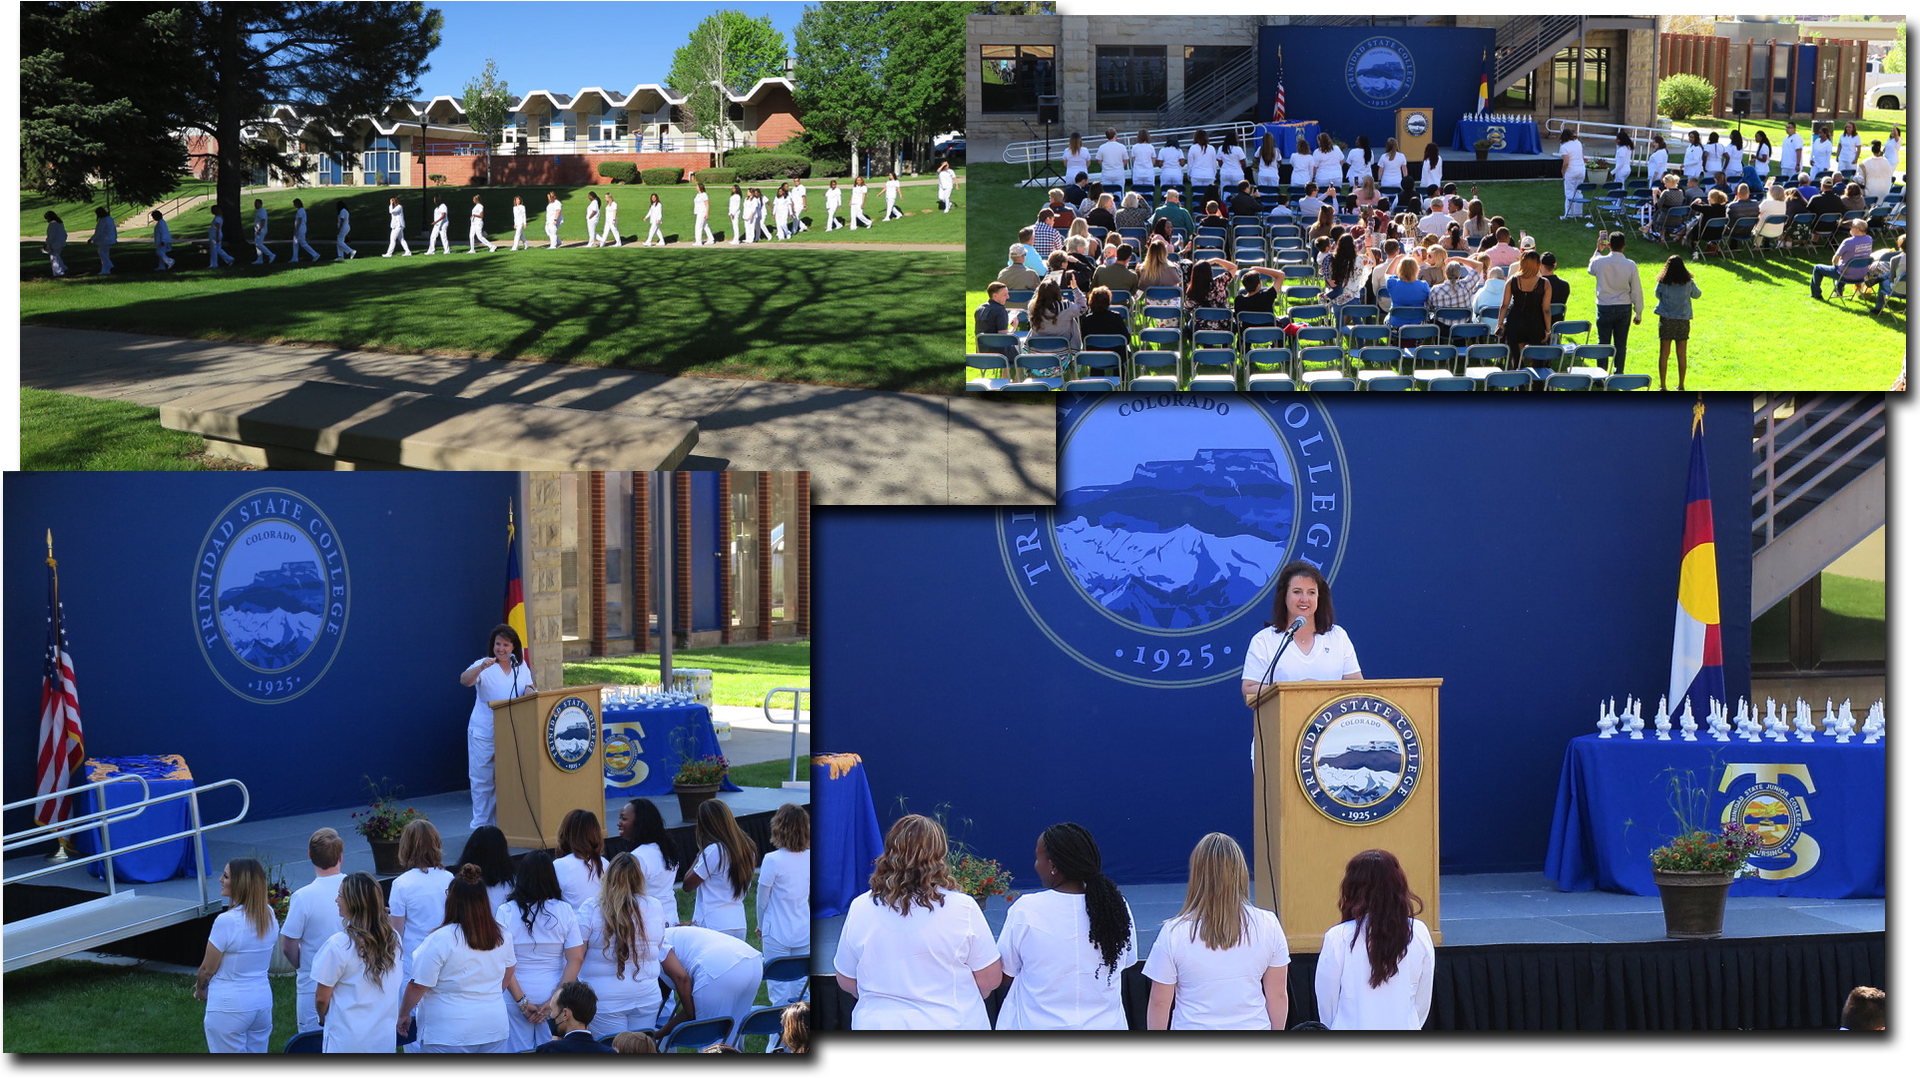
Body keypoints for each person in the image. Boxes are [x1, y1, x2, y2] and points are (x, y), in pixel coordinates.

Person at [832, 814, 1001, 1029]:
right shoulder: (963, 908)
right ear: (939, 854)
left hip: (878, 1023)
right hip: (952, 1022)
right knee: (1044, 1064)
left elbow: (846, 979)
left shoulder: (860, 907)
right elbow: (990, 980)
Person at [996, 821, 1136, 1030]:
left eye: (1038, 858)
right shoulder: (1117, 907)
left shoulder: (1027, 909)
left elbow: (1006, 973)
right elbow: (1128, 960)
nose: (1036, 865)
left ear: (1053, 866)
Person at [1143, 832, 1288, 1030]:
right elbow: (1278, 994)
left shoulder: (1173, 932)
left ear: (1196, 873)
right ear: (1240, 871)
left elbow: (1160, 1001)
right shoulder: (1269, 924)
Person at [400, 863, 536, 1053]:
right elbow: (508, 971)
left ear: (451, 899)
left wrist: (403, 1014)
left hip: (448, 1033)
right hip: (493, 1027)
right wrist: (487, 995)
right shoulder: (502, 935)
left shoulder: (440, 939)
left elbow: (417, 985)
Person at [1314, 849, 1434, 1030]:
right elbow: (1422, 1000)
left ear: (1351, 887)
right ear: (1399, 884)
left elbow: (1327, 1003)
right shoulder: (1419, 932)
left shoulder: (1337, 937)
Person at [1241, 560, 1363, 714]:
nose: (1304, 599)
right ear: (1284, 595)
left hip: (1330, 732)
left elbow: (1357, 688)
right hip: (1280, 731)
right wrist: (1296, 690)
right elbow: (1249, 690)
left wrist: (1316, 691)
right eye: (1297, 592)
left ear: (1319, 597)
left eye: (1311, 592)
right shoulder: (1264, 641)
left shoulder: (1338, 637)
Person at [497, 851, 585, 1052]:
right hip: (555, 993)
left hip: (515, 994)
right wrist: (556, 998)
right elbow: (576, 958)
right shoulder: (565, 910)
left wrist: (522, 1002)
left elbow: (501, 961)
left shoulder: (506, 912)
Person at [577, 851, 670, 1036]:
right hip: (646, 996)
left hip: (604, 1000)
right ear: (639, 879)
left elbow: (578, 954)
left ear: (608, 877)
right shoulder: (655, 906)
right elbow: (658, 947)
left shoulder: (591, 907)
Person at [312, 871, 404, 1054]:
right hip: (383, 1040)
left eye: (340, 895)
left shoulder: (339, 944)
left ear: (355, 902)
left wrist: (323, 1018)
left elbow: (322, 998)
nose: (336, 900)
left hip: (347, 1041)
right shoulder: (394, 939)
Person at [195, 857, 279, 1052]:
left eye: (225, 876)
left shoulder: (227, 921)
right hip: (261, 1002)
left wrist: (200, 989)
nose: (220, 880)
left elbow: (208, 969)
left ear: (240, 884)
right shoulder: (268, 914)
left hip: (229, 1006)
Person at [458, 623, 530, 831]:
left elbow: (527, 686)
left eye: (506, 645)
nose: (501, 649)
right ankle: (481, 827)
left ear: (514, 647)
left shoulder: (520, 666)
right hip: (484, 733)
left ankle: (501, 826)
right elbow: (464, 680)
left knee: (506, 780)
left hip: (510, 733)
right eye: (498, 644)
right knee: (483, 781)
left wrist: (530, 691)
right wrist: (481, 668)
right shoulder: (484, 665)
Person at [282, 827, 348, 1034]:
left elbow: (288, 945)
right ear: (341, 857)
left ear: (310, 855)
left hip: (313, 981)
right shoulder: (359, 888)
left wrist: (303, 964)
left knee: (312, 1041)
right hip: (353, 980)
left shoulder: (303, 897)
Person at [388, 819, 453, 1003]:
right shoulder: (449, 878)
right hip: (447, 957)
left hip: (414, 962)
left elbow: (397, 933)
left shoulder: (401, 884)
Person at [658, 925, 760, 1039]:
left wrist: (657, 1035)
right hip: (752, 961)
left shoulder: (652, 941)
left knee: (711, 1044)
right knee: (732, 1039)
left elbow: (682, 979)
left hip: (718, 967)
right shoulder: (667, 935)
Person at [753, 804, 809, 1009]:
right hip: (803, 930)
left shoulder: (772, 860)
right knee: (802, 990)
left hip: (776, 932)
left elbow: (762, 899)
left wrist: (760, 925)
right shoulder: (810, 857)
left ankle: (779, 1038)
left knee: (779, 993)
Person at [683, 798, 757, 940]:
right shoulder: (748, 848)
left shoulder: (713, 850)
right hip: (738, 920)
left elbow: (688, 884)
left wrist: (700, 853)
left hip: (713, 922)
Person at [1587, 231, 1644, 376]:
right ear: (1624, 246)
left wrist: (1598, 250)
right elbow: (1636, 290)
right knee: (1621, 343)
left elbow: (1590, 269)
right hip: (1624, 307)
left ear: (1609, 245)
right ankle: (1619, 373)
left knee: (1603, 343)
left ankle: (1601, 374)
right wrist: (1639, 312)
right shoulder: (1630, 265)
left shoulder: (1600, 262)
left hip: (1604, 306)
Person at [1496, 250, 1553, 376]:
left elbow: (1504, 304)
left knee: (1516, 356)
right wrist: (1548, 330)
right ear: (1538, 264)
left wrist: (1500, 323)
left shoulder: (1512, 281)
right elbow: (1546, 309)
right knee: (1536, 358)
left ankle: (1517, 384)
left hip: (1515, 320)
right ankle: (1536, 385)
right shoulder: (1545, 283)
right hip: (1536, 321)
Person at [1653, 254, 1701, 392]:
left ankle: (1663, 385)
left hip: (1666, 320)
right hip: (1682, 320)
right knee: (1681, 354)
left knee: (1664, 353)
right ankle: (1681, 385)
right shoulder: (1688, 282)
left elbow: (1657, 295)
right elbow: (1697, 294)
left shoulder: (1663, 282)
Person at [532, 981, 617, 1052]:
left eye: (552, 1010)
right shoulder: (609, 1052)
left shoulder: (549, 1050)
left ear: (565, 1014)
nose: (550, 1016)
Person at [553, 807, 610, 911]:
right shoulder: (606, 864)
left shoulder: (559, 865)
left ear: (565, 833)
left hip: (573, 925)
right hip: (603, 925)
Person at [1811, 218, 1875, 301]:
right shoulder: (1869, 239)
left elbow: (1835, 258)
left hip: (1846, 274)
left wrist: (1835, 266)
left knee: (1818, 268)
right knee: (1844, 267)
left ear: (1857, 229)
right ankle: (1838, 291)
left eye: (1851, 227)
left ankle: (1816, 294)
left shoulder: (1848, 242)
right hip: (1861, 275)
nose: (1850, 228)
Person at [1559, 128, 1585, 219]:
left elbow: (1566, 162)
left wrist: (1563, 171)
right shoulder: (1578, 143)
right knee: (1578, 192)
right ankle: (1578, 213)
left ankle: (1569, 214)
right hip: (1581, 169)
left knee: (1569, 192)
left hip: (1571, 170)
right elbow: (1581, 156)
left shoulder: (1564, 147)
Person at [1377, 137, 1408, 203]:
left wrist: (1379, 180)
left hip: (1386, 182)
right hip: (1398, 183)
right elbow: (1404, 170)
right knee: (1396, 199)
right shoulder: (1402, 156)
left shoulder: (1383, 157)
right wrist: (1406, 181)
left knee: (1385, 200)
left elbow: (1380, 170)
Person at [1129, 128, 1158, 194]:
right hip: (1148, 172)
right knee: (1149, 193)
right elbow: (1153, 161)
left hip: (1138, 173)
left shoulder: (1135, 147)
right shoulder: (1151, 147)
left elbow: (1133, 159)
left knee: (1138, 194)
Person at [244, 199, 271, 265]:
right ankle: (259, 259)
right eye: (255, 204)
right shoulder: (259, 211)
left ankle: (270, 254)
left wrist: (259, 229)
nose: (255, 205)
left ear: (260, 204)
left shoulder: (262, 211)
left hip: (261, 230)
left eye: (257, 204)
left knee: (259, 244)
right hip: (258, 230)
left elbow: (263, 220)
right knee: (257, 245)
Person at [42, 210, 69, 277]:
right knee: (57, 256)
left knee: (54, 257)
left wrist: (47, 243)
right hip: (61, 242)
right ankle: (63, 267)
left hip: (55, 243)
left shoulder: (53, 224)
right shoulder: (60, 223)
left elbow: (51, 235)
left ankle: (58, 272)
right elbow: (65, 234)